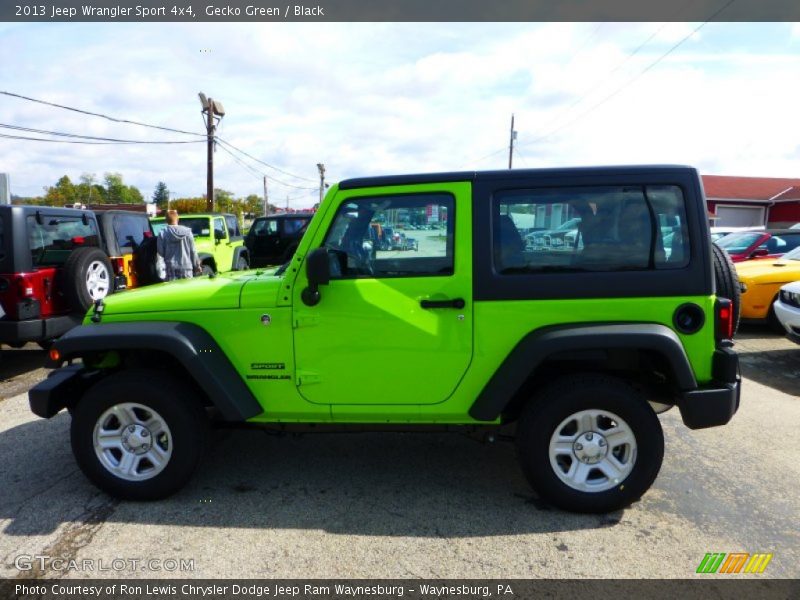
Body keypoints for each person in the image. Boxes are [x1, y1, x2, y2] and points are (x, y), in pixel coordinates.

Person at [156, 210, 201, 281]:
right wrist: (197, 266)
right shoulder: (188, 232)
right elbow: (193, 251)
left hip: (170, 270)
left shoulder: (162, 234)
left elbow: (160, 255)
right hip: (186, 269)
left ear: (166, 220)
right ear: (178, 219)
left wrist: (160, 272)